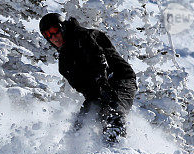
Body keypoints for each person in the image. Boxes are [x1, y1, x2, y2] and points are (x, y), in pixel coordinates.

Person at [39, 12, 137, 143]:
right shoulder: (64, 63)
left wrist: (102, 82)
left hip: (120, 78)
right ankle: (75, 153)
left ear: (62, 27)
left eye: (54, 30)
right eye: (47, 35)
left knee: (114, 111)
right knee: (82, 123)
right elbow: (85, 89)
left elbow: (99, 58)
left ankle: (117, 149)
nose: (53, 37)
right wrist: (95, 102)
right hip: (97, 90)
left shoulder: (83, 36)